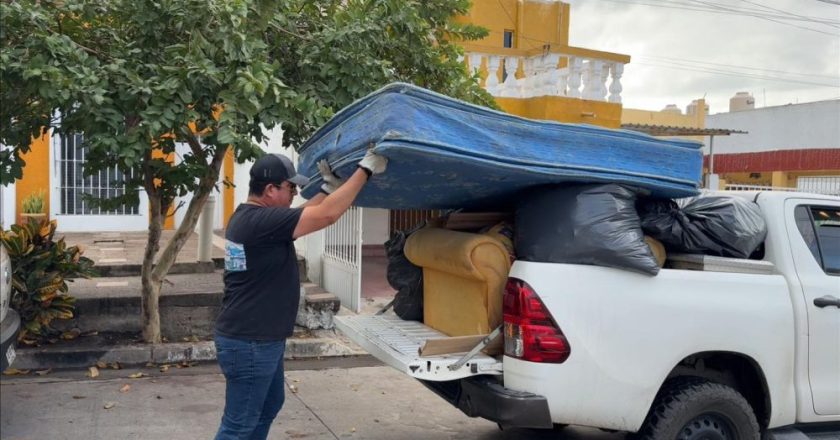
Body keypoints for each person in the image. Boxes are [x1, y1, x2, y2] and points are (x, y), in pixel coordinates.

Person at [213, 150, 387, 440]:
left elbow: (302, 215)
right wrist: (365, 170)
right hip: (250, 342)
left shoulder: (252, 219)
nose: (294, 194)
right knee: (238, 426)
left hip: (256, 338)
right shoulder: (260, 223)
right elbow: (327, 214)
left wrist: (328, 188)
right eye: (290, 188)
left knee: (268, 406)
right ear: (270, 190)